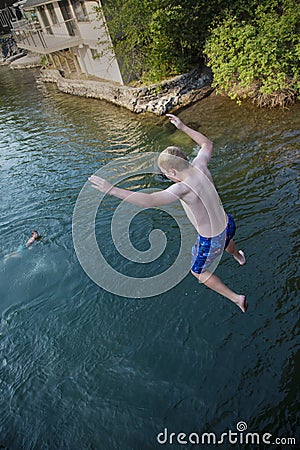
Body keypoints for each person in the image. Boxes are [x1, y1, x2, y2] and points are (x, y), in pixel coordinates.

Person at [88, 114, 247, 312]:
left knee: (198, 272)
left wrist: (111, 190)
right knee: (226, 238)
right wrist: (183, 126)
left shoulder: (183, 188)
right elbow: (207, 144)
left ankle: (236, 298)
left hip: (212, 238)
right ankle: (239, 256)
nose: (167, 178)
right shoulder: (200, 165)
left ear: (171, 171)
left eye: (165, 174)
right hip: (227, 223)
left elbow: (150, 200)